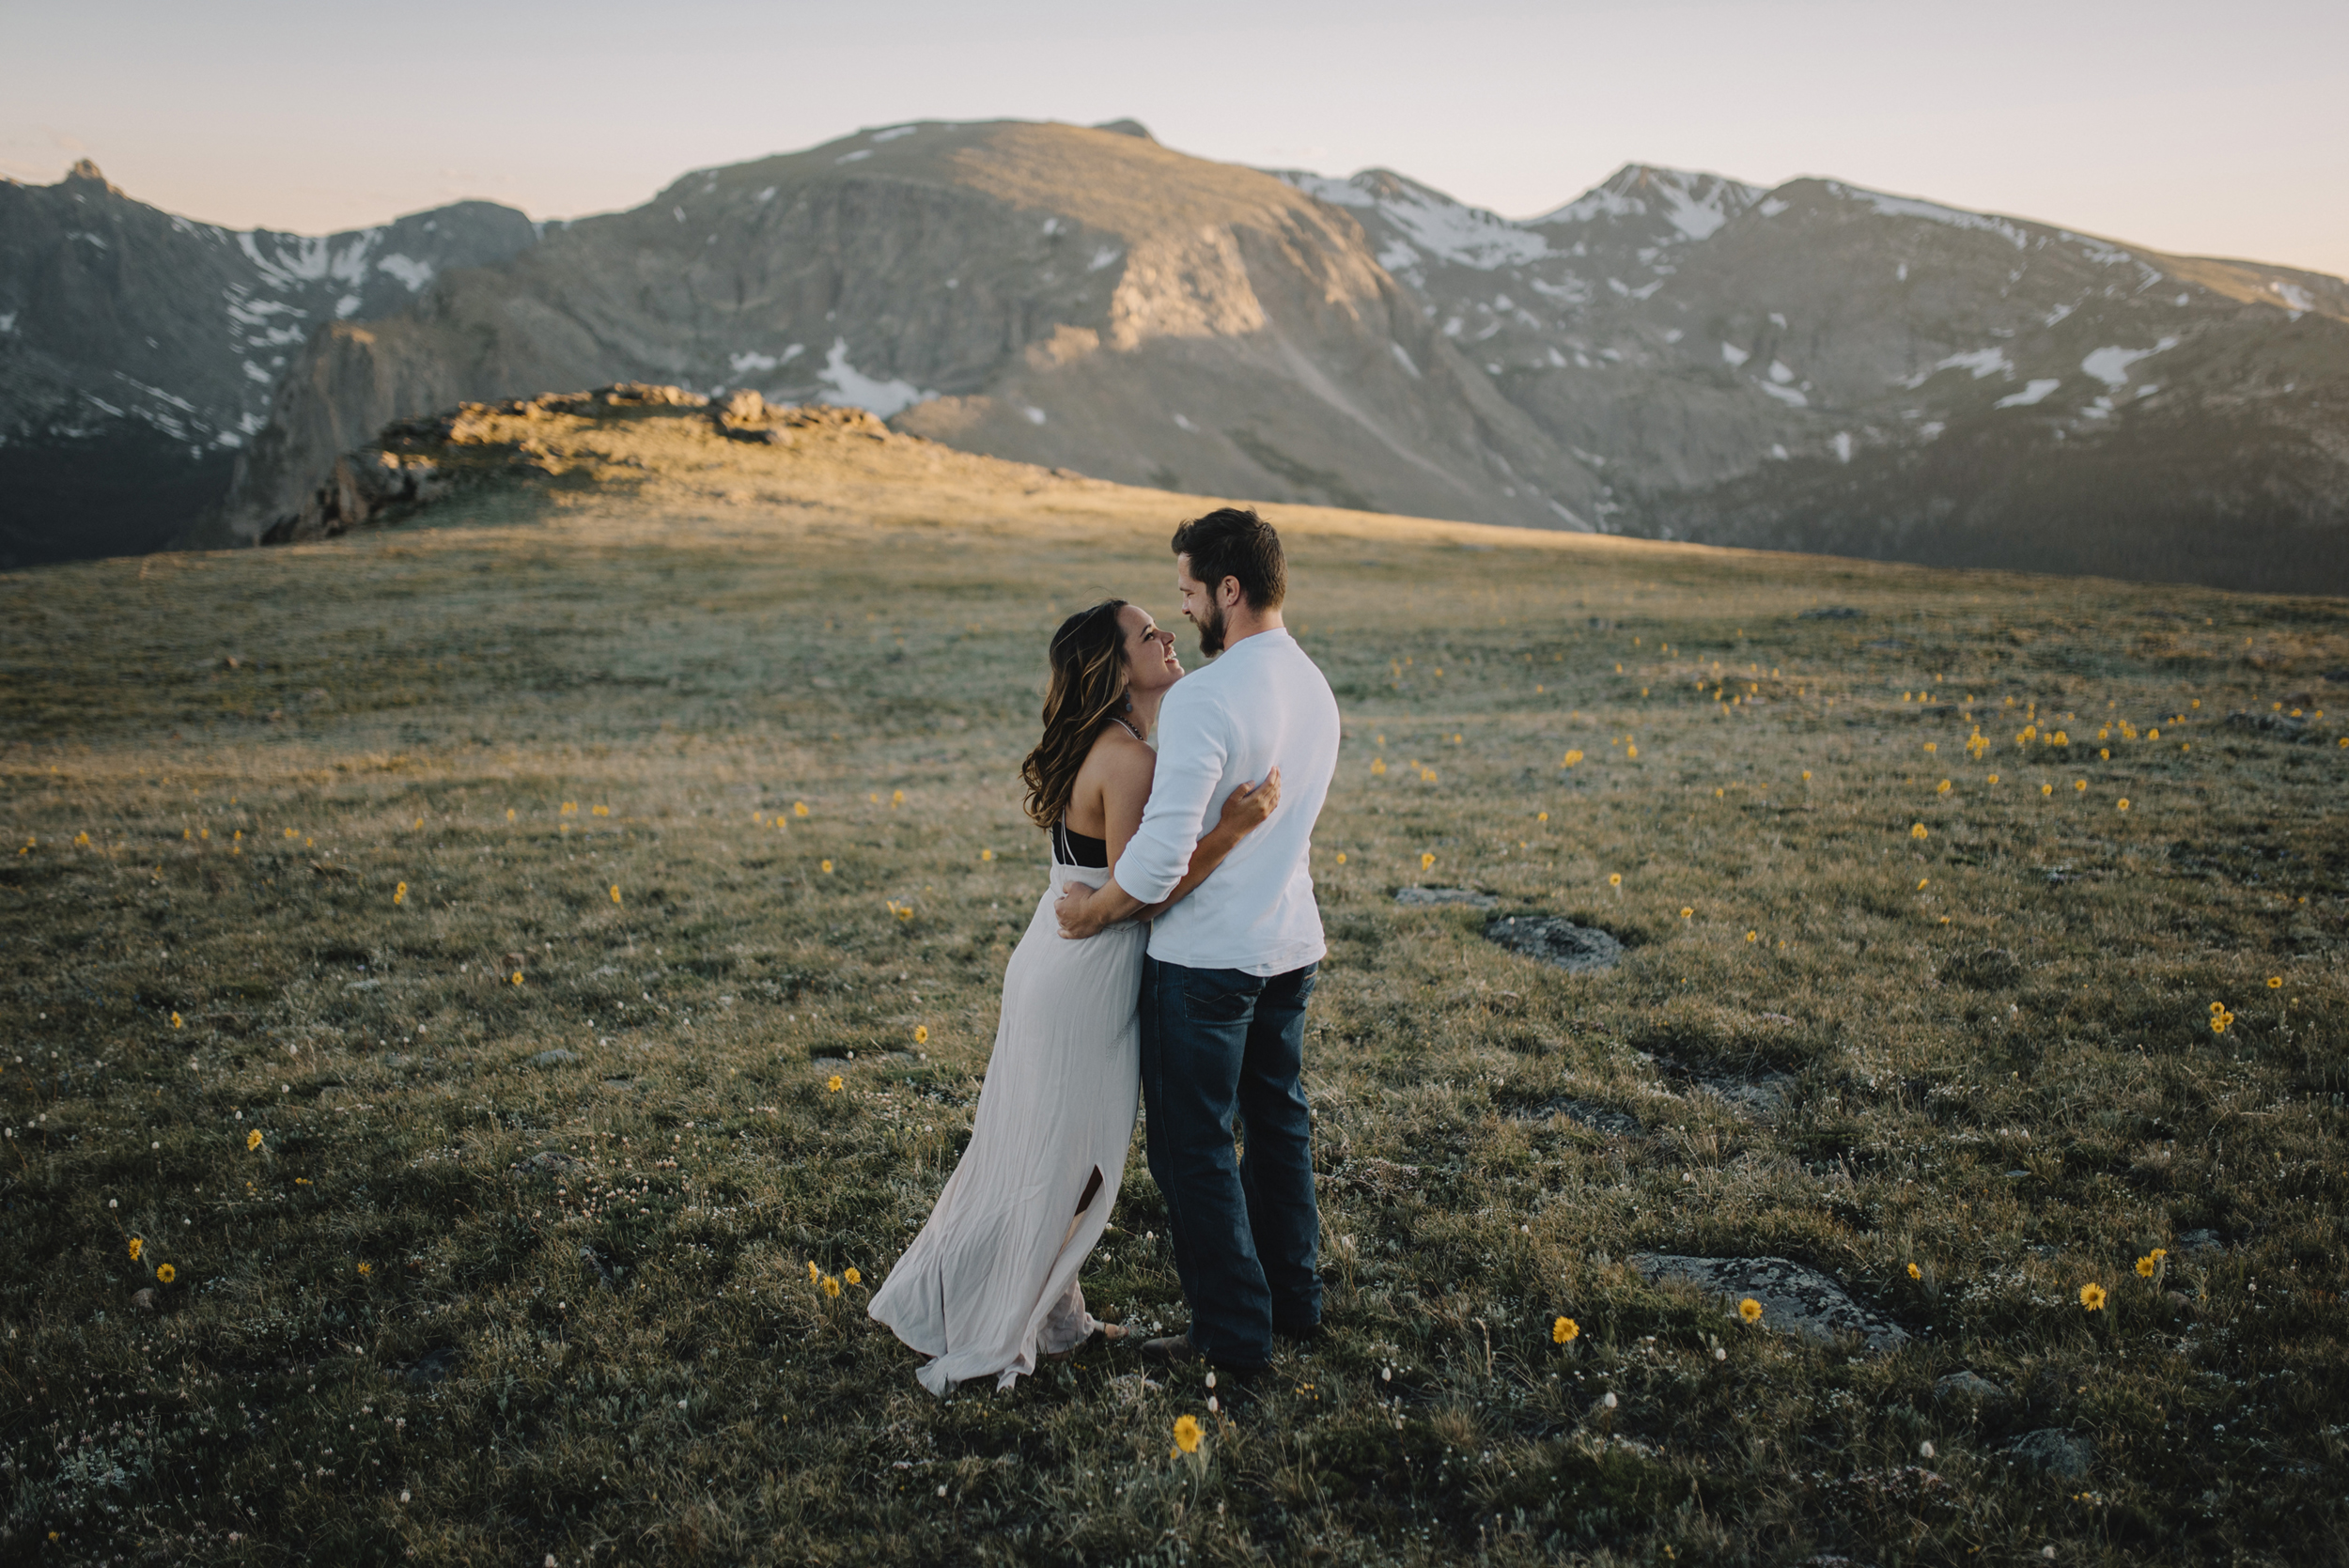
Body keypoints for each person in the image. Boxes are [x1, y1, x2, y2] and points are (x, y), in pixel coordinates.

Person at [867, 596, 1279, 1393]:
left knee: (1041, 1144)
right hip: (1085, 973)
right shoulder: (1130, 759)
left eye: (1162, 623)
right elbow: (1144, 889)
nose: (1165, 637)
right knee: (1071, 1156)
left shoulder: (1105, 744)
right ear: (1114, 666)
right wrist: (1232, 830)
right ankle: (1009, 1321)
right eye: (1146, 633)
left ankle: (1056, 1316)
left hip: (1052, 961)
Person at [1055, 507, 1342, 1380]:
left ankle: (1232, 1336)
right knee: (1279, 1125)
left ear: (1229, 589)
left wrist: (1100, 909)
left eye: (1187, 592)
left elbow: (1155, 860)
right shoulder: (1313, 684)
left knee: (1196, 1152)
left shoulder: (1207, 697)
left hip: (1208, 962)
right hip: (1289, 945)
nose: (1184, 611)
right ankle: (1296, 1302)